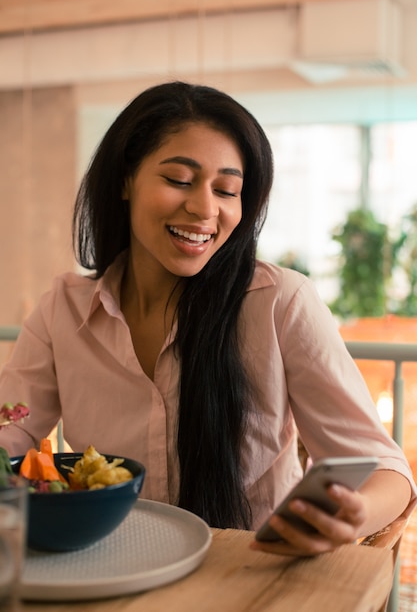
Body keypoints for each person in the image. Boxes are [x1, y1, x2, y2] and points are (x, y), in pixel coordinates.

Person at [0, 81, 415, 558]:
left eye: (228, 190)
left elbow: (383, 467)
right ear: (124, 179)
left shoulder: (280, 302)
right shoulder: (63, 310)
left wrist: (351, 514)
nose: (204, 208)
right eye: (179, 179)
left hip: (251, 581)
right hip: (113, 574)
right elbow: (9, 434)